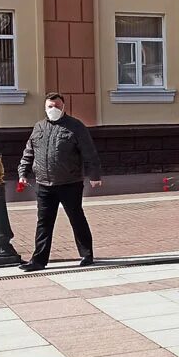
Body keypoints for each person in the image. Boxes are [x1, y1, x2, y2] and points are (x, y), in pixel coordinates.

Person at [17, 93, 103, 272]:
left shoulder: (75, 127)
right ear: (45, 108)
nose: (53, 109)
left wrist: (94, 175)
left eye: (57, 106)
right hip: (44, 184)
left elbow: (89, 152)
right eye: (50, 106)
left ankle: (87, 254)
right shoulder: (39, 127)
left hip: (70, 182)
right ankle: (38, 260)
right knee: (44, 222)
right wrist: (23, 172)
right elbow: (28, 152)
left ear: (63, 107)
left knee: (76, 218)